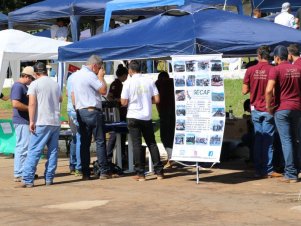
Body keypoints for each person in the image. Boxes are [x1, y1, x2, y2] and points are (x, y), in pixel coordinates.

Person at [242, 45, 282, 179]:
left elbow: (244, 91)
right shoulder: (273, 69)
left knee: (258, 139)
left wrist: (254, 85)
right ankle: (268, 170)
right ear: (268, 55)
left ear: (258, 56)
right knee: (268, 140)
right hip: (268, 108)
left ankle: (258, 170)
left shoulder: (250, 70)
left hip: (255, 109)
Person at [20, 62, 62, 188]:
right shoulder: (55, 84)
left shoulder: (35, 84)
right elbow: (60, 99)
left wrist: (31, 121)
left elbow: (32, 104)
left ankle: (28, 179)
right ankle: (49, 178)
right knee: (53, 151)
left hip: (41, 120)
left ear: (36, 73)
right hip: (55, 121)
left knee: (34, 150)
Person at [121, 60, 164, 181]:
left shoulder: (128, 83)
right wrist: (147, 101)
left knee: (136, 144)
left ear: (130, 70)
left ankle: (140, 174)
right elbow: (157, 99)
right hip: (146, 116)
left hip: (133, 115)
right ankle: (159, 172)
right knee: (152, 143)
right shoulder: (149, 80)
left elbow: (123, 102)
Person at [72, 55, 111, 180]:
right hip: (93, 111)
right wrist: (101, 77)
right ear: (95, 66)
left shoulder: (76, 75)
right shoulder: (91, 75)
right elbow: (103, 90)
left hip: (80, 111)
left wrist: (76, 108)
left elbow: (72, 94)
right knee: (100, 141)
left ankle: (85, 173)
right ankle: (104, 171)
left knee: (84, 143)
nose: (99, 70)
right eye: (99, 68)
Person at [265, 45, 301, 183]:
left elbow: (269, 90)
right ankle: (296, 170)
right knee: (295, 139)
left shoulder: (276, 70)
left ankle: (291, 174)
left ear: (277, 58)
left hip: (282, 109)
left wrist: (269, 107)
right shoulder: (298, 68)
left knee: (286, 141)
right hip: (297, 108)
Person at [10, 66, 35, 182]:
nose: (32, 81)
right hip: (21, 121)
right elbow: (15, 104)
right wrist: (29, 108)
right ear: (26, 76)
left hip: (23, 121)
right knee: (22, 147)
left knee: (25, 146)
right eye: (31, 79)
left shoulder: (22, 86)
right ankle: (19, 172)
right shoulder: (18, 86)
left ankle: (23, 171)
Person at [106, 64, 128, 164]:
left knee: (123, 136)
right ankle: (108, 157)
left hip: (124, 113)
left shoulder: (125, 83)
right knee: (114, 136)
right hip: (117, 113)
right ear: (123, 75)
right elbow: (109, 96)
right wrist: (118, 100)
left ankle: (122, 156)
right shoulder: (115, 84)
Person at [155, 71, 175, 168]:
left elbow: (156, 100)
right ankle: (171, 157)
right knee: (172, 135)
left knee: (164, 136)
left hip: (164, 113)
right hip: (175, 112)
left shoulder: (158, 83)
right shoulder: (173, 82)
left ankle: (171, 158)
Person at [66, 69, 82, 176]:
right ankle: (79, 167)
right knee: (80, 138)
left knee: (75, 138)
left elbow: (67, 94)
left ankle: (73, 164)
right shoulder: (81, 77)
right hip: (77, 110)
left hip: (70, 110)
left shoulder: (71, 77)